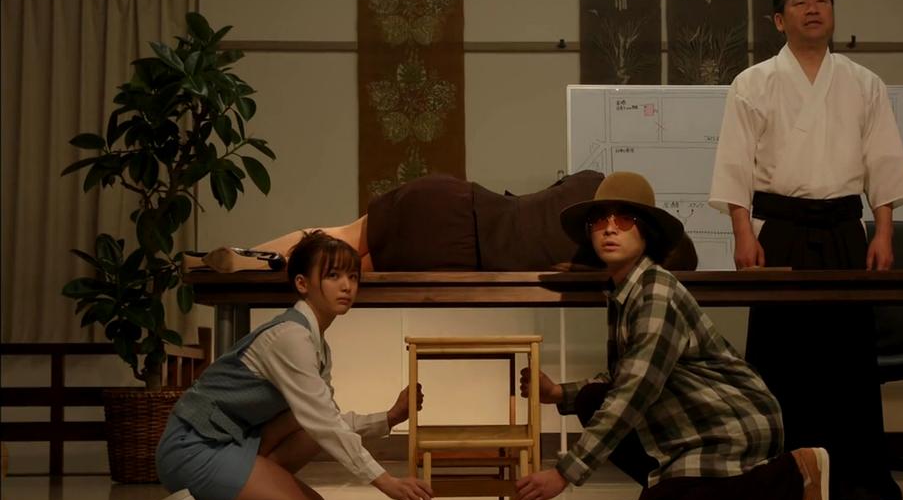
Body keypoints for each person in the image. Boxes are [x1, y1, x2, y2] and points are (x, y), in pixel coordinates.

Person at [511, 171, 830, 500]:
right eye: (599, 219)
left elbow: (633, 393)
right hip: (688, 430)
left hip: (727, 426)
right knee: (590, 399)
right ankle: (664, 495)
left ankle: (794, 476)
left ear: (646, 232)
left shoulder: (656, 293)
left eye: (625, 219)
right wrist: (558, 394)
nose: (610, 228)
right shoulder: (623, 291)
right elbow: (622, 377)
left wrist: (564, 472)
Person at [708, 0, 903, 500]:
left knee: (849, 356)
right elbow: (735, 163)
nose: (814, 9)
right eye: (800, 3)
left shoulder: (863, 82)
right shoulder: (753, 82)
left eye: (822, 0)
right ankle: (783, 481)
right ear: (779, 20)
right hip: (780, 230)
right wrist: (742, 233)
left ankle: (856, 477)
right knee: (782, 356)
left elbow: (883, 159)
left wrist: (883, 231)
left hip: (844, 228)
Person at [111, 231, 435, 500]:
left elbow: (325, 421)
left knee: (305, 425)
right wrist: (385, 482)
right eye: (333, 275)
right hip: (193, 449)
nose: (347, 286)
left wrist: (389, 418)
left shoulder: (316, 344)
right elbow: (325, 424)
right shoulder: (291, 338)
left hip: (232, 444)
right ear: (302, 284)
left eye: (353, 276)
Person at [189, 170, 698, 274]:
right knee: (348, 270)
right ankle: (262, 265)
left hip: (458, 205)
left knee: (341, 237)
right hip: (461, 256)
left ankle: (254, 256)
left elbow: (550, 193)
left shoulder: (589, 189)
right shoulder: (598, 265)